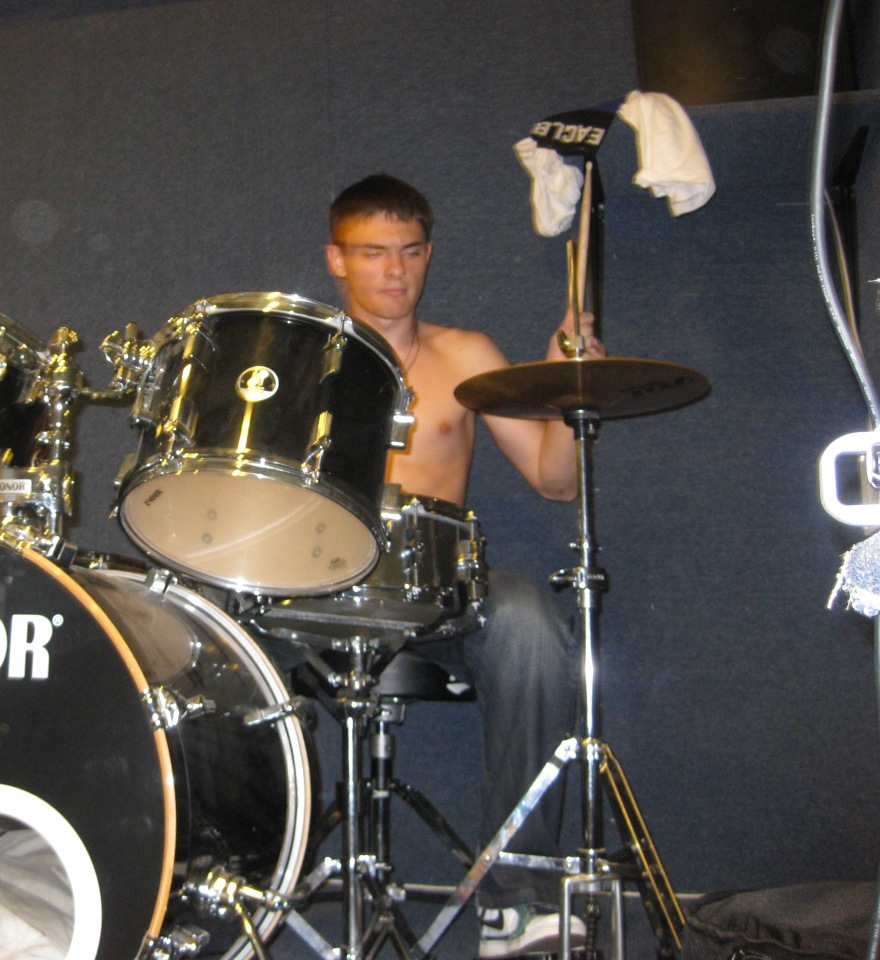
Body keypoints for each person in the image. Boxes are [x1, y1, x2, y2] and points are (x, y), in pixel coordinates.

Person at [324, 173, 603, 958]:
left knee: (529, 619)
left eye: (410, 251)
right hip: (319, 591)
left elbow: (554, 480)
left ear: (429, 254)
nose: (395, 270)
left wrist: (567, 388)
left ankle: (516, 897)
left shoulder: (466, 355)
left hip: (437, 592)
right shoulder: (305, 358)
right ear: (337, 259)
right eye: (372, 252)